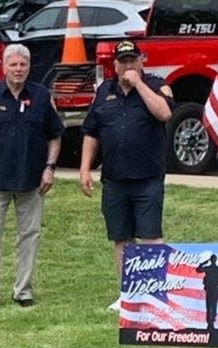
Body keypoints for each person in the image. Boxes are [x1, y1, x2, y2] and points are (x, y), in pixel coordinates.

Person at [0, 43, 64, 310]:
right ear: (4, 67)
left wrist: (50, 167)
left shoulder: (42, 97)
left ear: (29, 67)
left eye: (23, 65)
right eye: (13, 65)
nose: (18, 70)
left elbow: (55, 136)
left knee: (29, 236)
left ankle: (23, 291)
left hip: (32, 181)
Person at [79, 40, 174, 311]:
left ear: (142, 61)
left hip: (147, 177)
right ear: (115, 65)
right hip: (114, 178)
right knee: (121, 237)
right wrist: (85, 168)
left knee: (151, 235)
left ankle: (155, 292)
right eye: (123, 61)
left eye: (133, 60)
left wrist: (139, 85)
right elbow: (91, 132)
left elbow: (165, 113)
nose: (128, 65)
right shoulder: (104, 92)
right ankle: (129, 293)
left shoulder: (156, 85)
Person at [196, 254, 218, 330]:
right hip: (210, 289)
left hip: (214, 289)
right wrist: (203, 263)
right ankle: (210, 323)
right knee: (210, 307)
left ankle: (212, 322)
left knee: (212, 306)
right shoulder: (209, 268)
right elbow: (198, 270)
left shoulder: (217, 269)